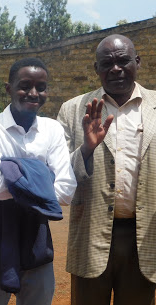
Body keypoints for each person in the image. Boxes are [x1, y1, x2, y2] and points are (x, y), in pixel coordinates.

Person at [57, 34, 156, 305]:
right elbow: (60, 177)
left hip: (146, 236)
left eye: (123, 61)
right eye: (107, 63)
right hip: (90, 235)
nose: (116, 68)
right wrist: (86, 150)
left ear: (137, 61)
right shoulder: (72, 110)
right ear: (96, 68)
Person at [0, 57, 77, 305]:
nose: (33, 93)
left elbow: (66, 191)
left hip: (35, 236)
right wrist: (43, 174)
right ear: (9, 88)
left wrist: (11, 170)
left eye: (41, 87)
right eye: (24, 85)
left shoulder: (52, 129)